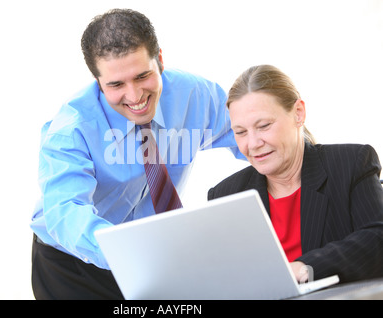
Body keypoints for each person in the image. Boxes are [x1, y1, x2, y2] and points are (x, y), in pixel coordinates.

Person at [30, 9, 245, 299]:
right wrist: (135, 256)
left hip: (151, 251)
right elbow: (66, 212)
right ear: (97, 81)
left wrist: (303, 159)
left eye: (142, 76)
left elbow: (252, 135)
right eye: (116, 85)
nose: (134, 97)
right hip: (75, 264)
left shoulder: (194, 95)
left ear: (160, 59)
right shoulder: (71, 131)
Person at [208, 65, 383, 284]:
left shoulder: (351, 163)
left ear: (298, 113)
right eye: (240, 132)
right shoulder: (226, 194)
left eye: (263, 126)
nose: (252, 144)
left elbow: (378, 238)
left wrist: (305, 268)